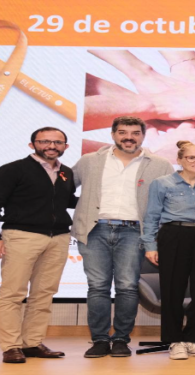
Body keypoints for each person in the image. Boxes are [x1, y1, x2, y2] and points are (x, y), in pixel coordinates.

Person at [72, 116, 174, 358]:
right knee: (97, 287)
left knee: (127, 287)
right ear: (113, 134)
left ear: (143, 136)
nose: (129, 137)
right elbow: (63, 188)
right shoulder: (89, 161)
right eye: (123, 132)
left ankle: (120, 340)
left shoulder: (160, 165)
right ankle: (99, 340)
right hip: (95, 230)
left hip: (134, 232)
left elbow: (170, 200)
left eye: (135, 133)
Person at [0, 127, 77, 363]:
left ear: (66, 146)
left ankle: (32, 343)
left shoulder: (66, 172)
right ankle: (11, 346)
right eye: (45, 141)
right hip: (21, 236)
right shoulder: (13, 170)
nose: (51, 146)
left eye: (57, 142)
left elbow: (66, 201)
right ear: (32, 144)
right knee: (13, 293)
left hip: (58, 238)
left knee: (44, 294)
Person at [142, 141, 195, 360]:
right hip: (174, 235)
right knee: (172, 289)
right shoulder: (162, 183)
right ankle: (175, 340)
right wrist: (150, 245)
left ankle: (193, 340)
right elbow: (151, 216)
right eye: (192, 158)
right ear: (179, 160)